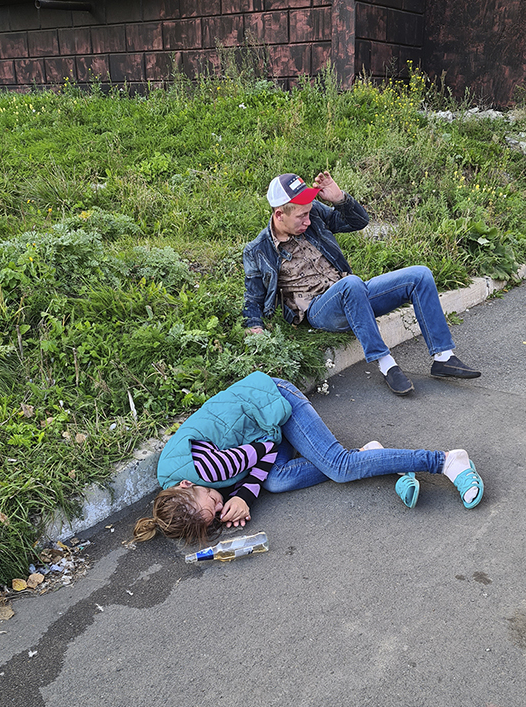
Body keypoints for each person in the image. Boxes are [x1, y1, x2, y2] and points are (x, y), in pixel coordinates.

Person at [133, 371, 484, 545]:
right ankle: (372, 457)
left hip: (275, 401)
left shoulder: (207, 469)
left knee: (340, 467)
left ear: (186, 485)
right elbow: (259, 464)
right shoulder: (176, 481)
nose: (218, 502)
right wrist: (239, 498)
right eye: (216, 512)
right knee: (276, 480)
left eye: (212, 500)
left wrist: (243, 496)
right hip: (261, 430)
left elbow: (264, 451)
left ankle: (446, 461)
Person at [242, 171, 481, 395]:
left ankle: (443, 357)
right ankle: (386, 364)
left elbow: (358, 222)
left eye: (308, 212)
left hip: (353, 293)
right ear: (279, 215)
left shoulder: (313, 213)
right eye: (301, 216)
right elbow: (252, 297)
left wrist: (340, 199)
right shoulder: (258, 251)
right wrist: (255, 327)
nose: (308, 220)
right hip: (318, 310)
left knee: (420, 275)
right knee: (352, 284)